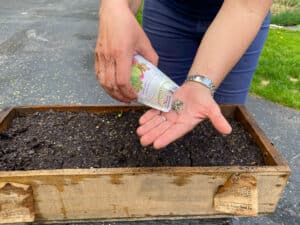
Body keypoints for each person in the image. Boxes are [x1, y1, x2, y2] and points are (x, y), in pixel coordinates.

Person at [95, 0, 272, 149]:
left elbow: (246, 6)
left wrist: (200, 85)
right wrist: (114, 8)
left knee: (224, 125)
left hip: (243, 13)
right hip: (167, 8)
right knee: (165, 113)